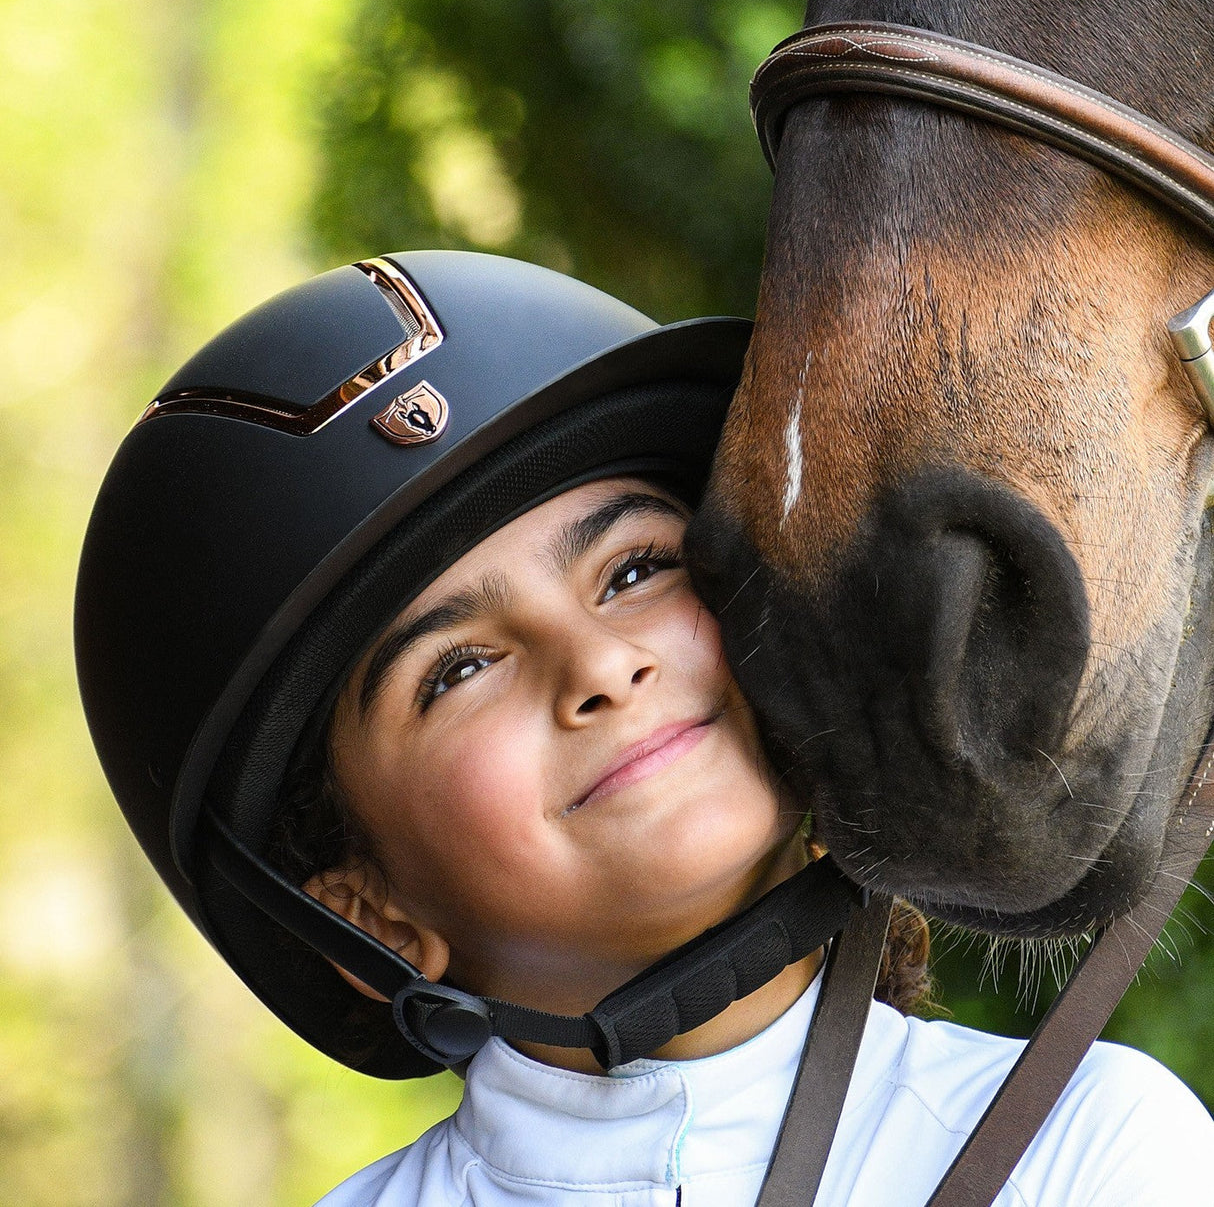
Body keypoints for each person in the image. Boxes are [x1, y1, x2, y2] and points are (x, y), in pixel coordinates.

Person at [76, 251, 1213, 1206]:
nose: (599, 665)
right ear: (367, 915)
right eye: (459, 667)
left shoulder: (1091, 1151)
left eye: (632, 571)